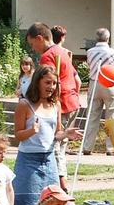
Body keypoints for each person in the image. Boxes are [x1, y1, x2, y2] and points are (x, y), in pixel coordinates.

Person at [13, 65, 82, 205]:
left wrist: (66, 133)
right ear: (37, 82)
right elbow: (17, 135)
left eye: (54, 83)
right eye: (47, 82)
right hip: (28, 161)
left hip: (49, 160)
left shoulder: (55, 105)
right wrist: (31, 131)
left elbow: (56, 133)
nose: (51, 87)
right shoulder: (24, 104)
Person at [26, 22, 81, 193]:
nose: (33, 48)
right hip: (72, 102)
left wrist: (49, 104)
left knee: (53, 144)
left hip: (60, 105)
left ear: (40, 38)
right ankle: (58, 184)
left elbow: (50, 84)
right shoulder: (63, 52)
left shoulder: (47, 56)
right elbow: (77, 79)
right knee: (60, 147)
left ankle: (60, 186)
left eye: (32, 43)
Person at [83, 28, 114, 156]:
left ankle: (88, 147)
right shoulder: (112, 52)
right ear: (108, 39)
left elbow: (90, 64)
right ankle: (110, 148)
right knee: (111, 116)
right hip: (109, 84)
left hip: (94, 83)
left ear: (96, 38)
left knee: (92, 116)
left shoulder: (90, 52)